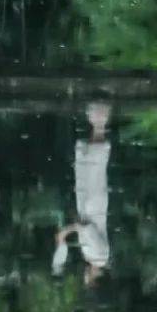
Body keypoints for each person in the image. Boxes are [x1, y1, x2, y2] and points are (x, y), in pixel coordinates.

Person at [52, 102, 112, 285]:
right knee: (95, 165)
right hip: (94, 206)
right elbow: (88, 228)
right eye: (86, 280)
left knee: (87, 165)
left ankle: (97, 121)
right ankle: (100, 119)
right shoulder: (99, 256)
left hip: (87, 205)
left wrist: (70, 226)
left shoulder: (91, 256)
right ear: (93, 279)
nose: (84, 276)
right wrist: (65, 233)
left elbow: (82, 228)